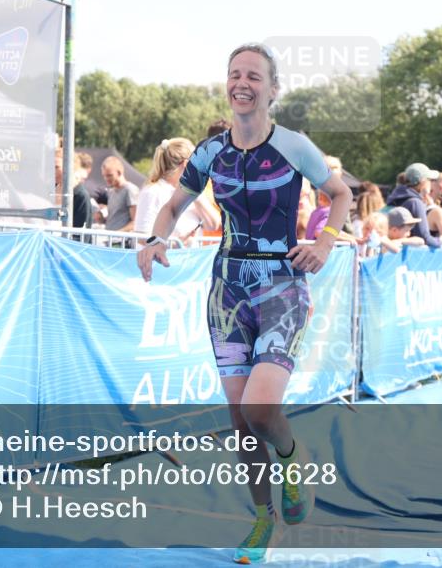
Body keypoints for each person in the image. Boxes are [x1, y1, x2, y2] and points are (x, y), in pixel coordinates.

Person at [137, 43, 352, 564]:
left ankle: (293, 458)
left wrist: (323, 243)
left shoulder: (296, 146)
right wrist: (154, 240)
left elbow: (341, 195)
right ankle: (263, 520)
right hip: (227, 290)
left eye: (254, 75)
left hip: (282, 284)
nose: (242, 82)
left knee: (261, 408)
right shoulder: (210, 154)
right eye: (235, 73)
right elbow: (171, 208)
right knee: (239, 418)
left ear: (272, 89)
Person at [134, 138, 219, 245]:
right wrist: (176, 243)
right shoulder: (152, 192)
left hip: (190, 260)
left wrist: (195, 195)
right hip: (165, 260)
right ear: (186, 164)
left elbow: (213, 225)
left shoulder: (191, 191)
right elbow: (141, 237)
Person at [385, 163, 442, 248]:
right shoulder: (415, 203)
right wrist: (440, 241)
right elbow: (424, 238)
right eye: (429, 180)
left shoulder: (394, 198)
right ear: (423, 181)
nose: (431, 183)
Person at [95, 156, 140, 238]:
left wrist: (117, 234)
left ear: (119, 173)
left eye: (109, 175)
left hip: (122, 242)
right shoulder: (111, 191)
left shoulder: (130, 190)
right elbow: (115, 218)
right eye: (104, 176)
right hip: (110, 240)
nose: (106, 179)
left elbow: (135, 222)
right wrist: (101, 218)